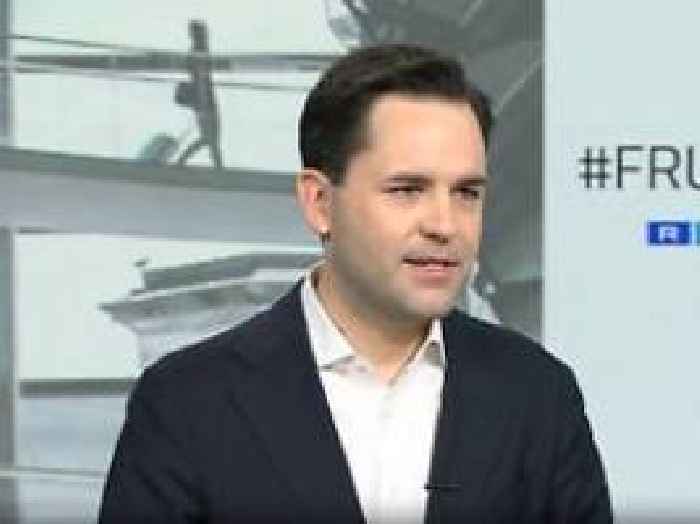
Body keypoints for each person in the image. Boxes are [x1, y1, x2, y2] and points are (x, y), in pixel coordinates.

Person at [99, 44, 613, 523]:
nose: (445, 225)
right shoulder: (187, 403)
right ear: (319, 202)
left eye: (466, 193)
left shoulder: (538, 394)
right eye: (407, 190)